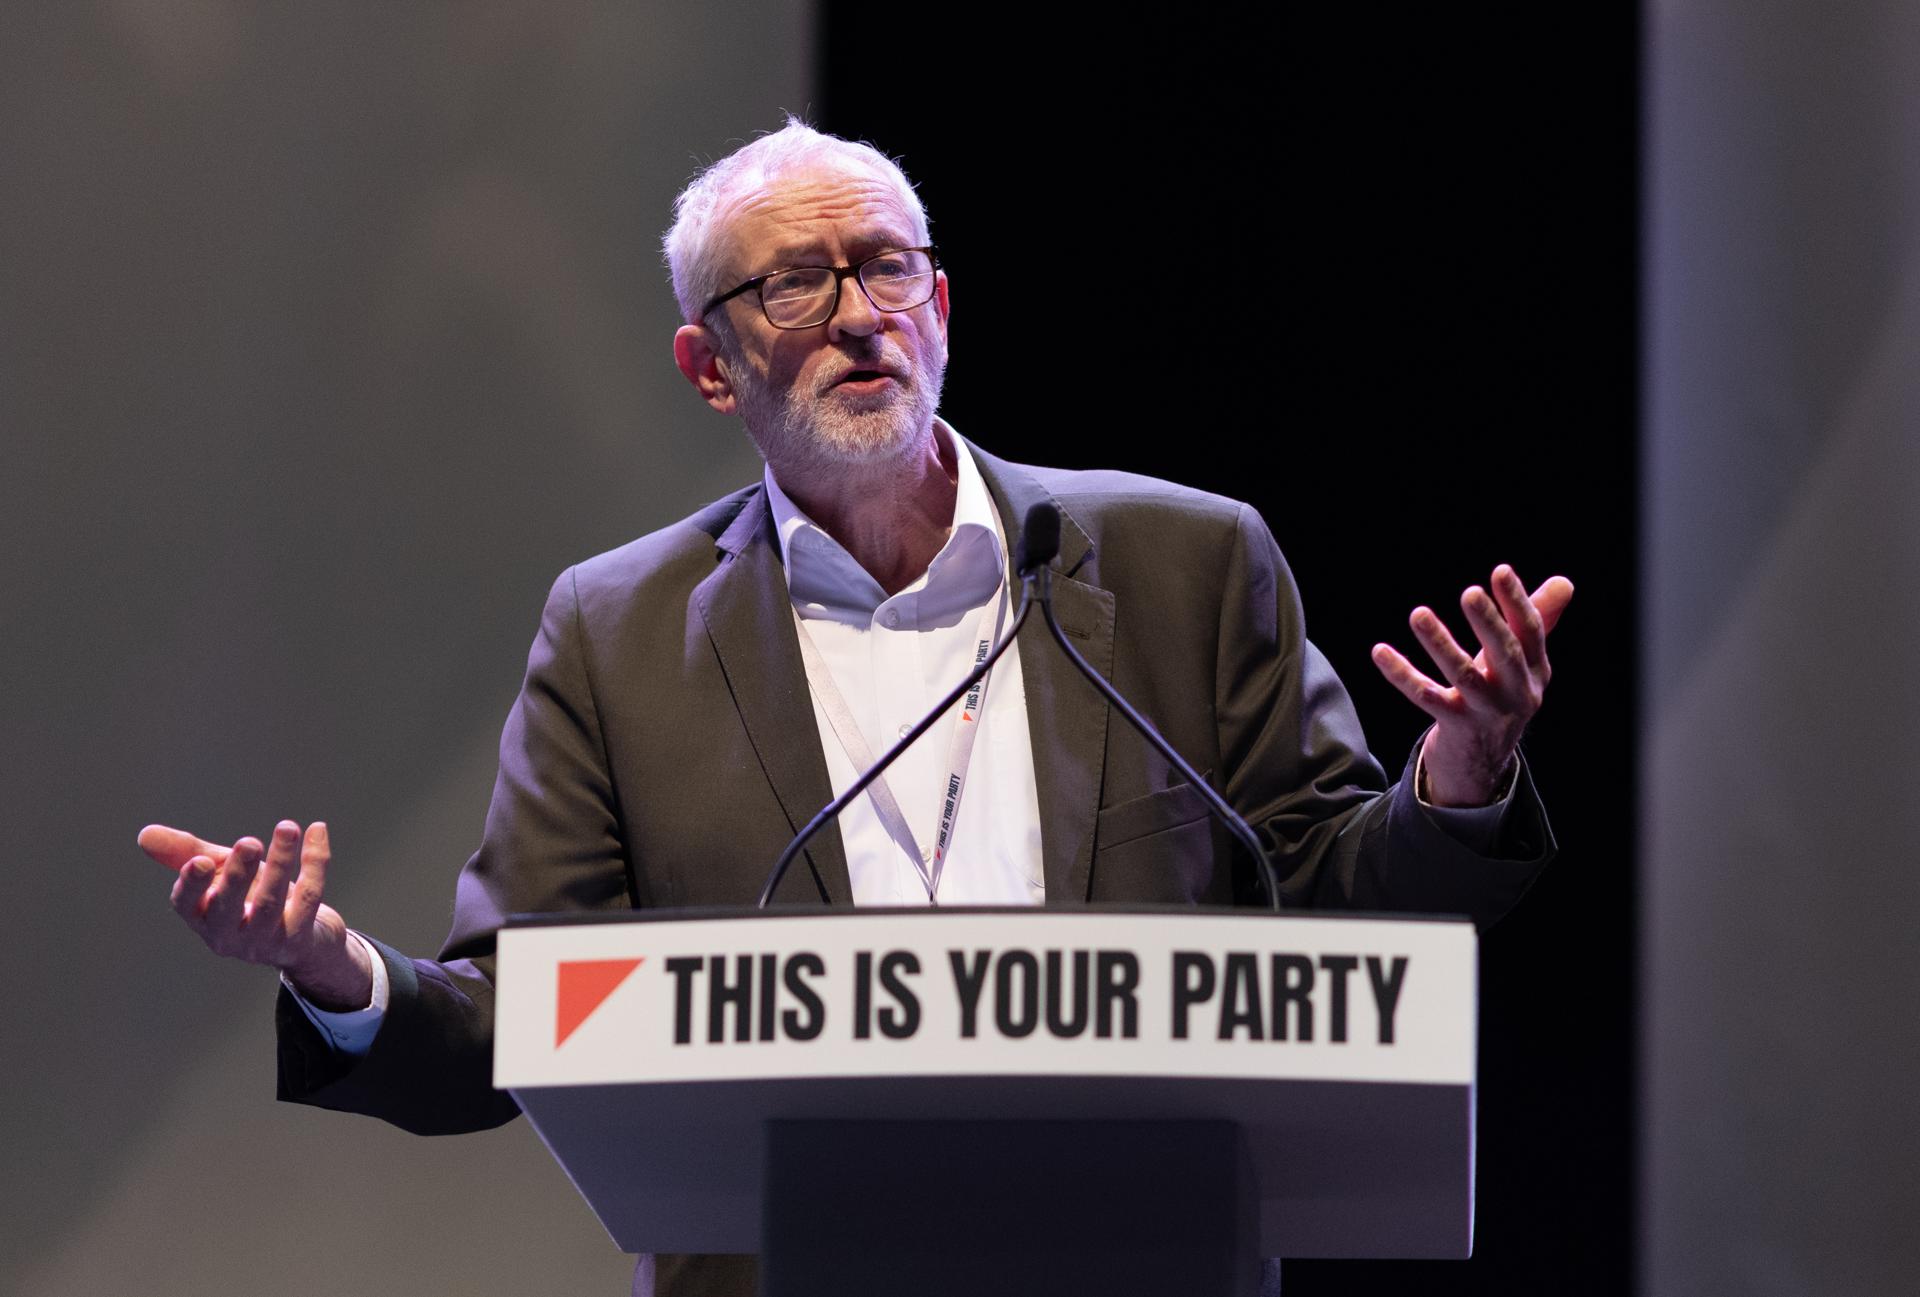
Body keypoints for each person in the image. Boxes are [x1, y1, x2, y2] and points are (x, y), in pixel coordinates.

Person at [139, 120, 1572, 1297]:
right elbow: (524, 1013)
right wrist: (337, 971)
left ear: (940, 310)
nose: (854, 315)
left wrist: (1456, 776)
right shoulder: (616, 629)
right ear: (710, 366)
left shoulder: (1184, 563)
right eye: (790, 286)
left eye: (884, 269)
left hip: (1146, 1255)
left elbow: (1326, 896)